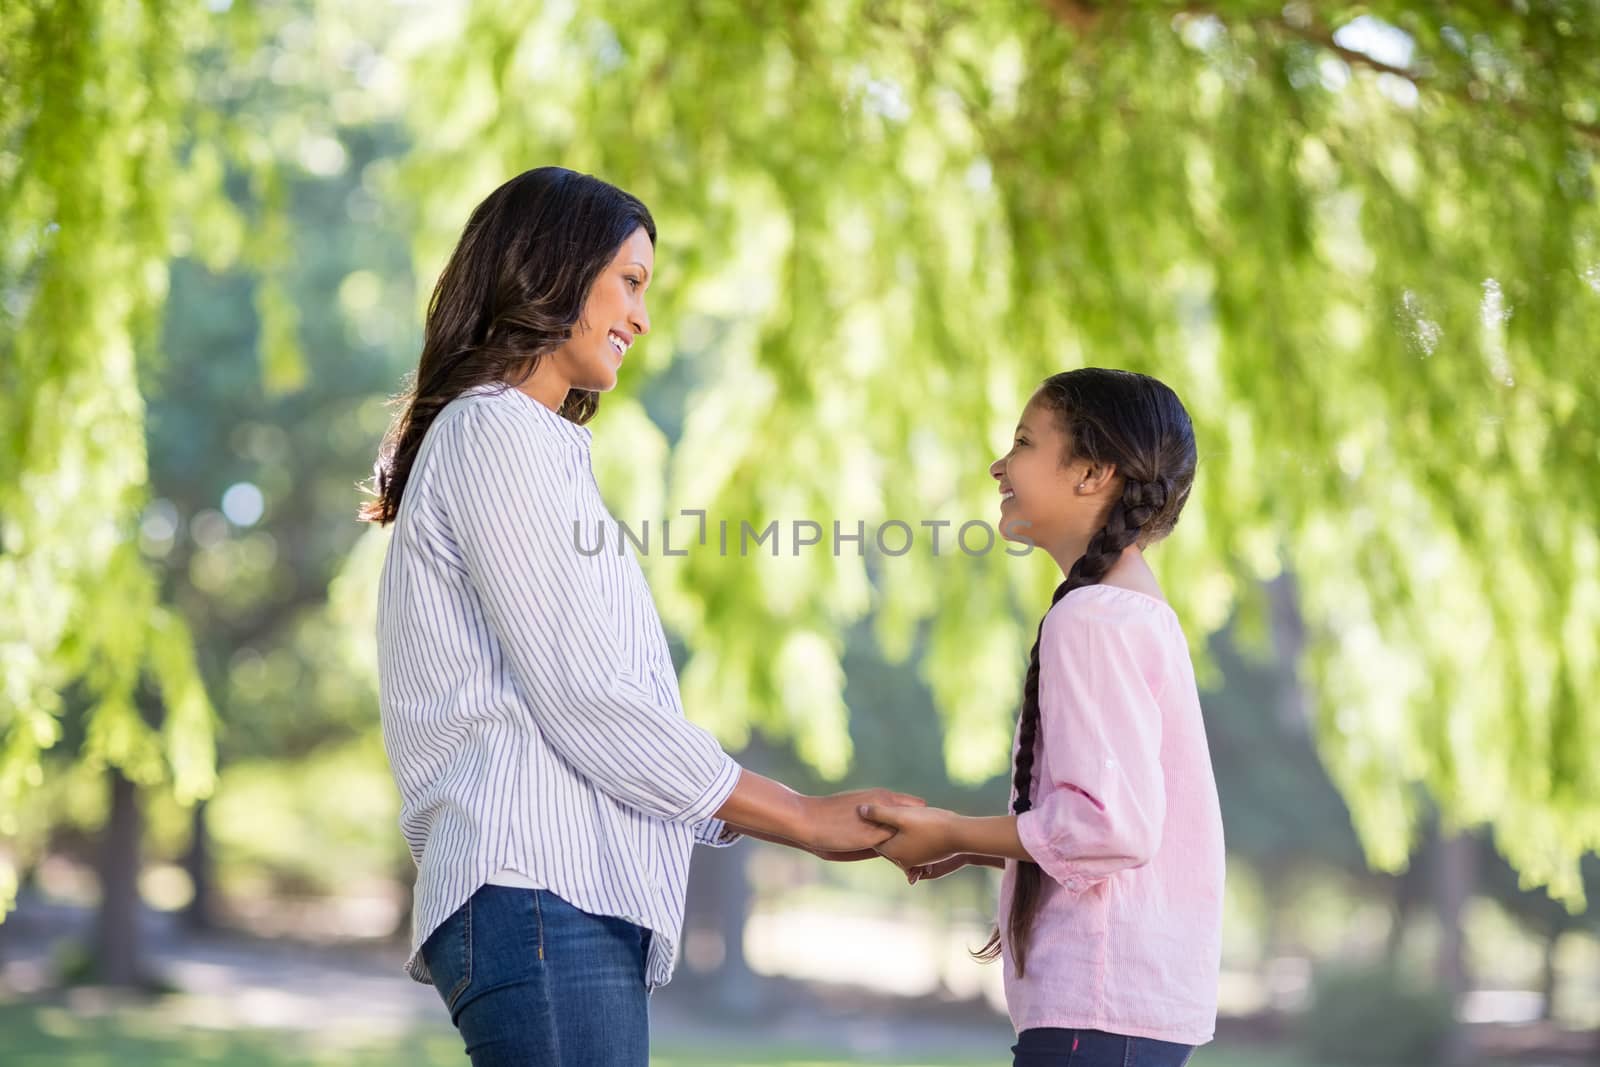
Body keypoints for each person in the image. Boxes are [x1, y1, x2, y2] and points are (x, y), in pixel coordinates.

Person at [360, 166, 918, 1066]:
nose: (641, 316)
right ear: (552, 269)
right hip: (539, 893)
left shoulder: (533, 442)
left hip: (558, 899)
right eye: (630, 280)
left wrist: (745, 813)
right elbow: (589, 698)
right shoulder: (494, 430)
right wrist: (801, 816)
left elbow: (605, 706)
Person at [861, 369, 1225, 1067]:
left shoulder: (1091, 618)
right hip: (1124, 1010)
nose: (999, 465)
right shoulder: (1131, 610)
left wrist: (951, 827)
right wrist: (980, 844)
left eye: (1024, 442)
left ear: (1091, 472)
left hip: (1099, 1006)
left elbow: (1111, 825)